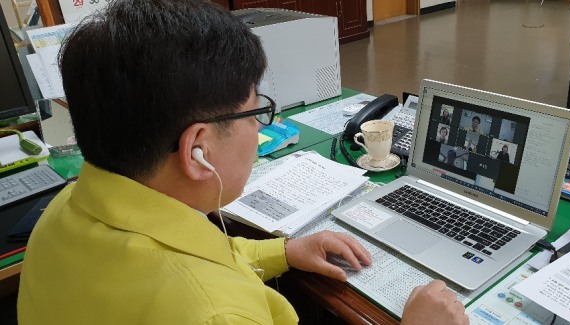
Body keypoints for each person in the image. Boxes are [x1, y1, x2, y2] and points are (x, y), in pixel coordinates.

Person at [17, 1, 469, 325]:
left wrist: (284, 252)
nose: (259, 131)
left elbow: (200, 253)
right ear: (198, 150)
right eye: (256, 114)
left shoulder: (65, 209)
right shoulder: (215, 312)